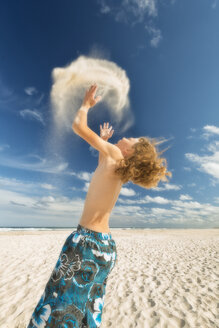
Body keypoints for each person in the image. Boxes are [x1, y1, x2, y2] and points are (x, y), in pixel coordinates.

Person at [27, 84, 172, 328]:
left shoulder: (116, 154)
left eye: (135, 139)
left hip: (86, 243)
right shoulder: (116, 167)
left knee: (59, 306)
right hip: (105, 248)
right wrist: (103, 142)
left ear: (130, 151)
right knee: (87, 310)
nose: (130, 135)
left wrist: (85, 104)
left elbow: (78, 127)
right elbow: (99, 171)